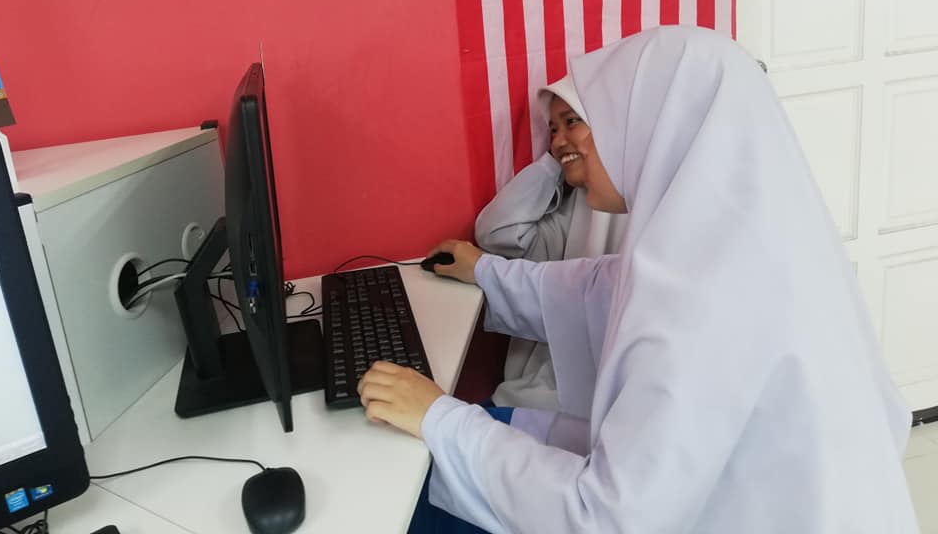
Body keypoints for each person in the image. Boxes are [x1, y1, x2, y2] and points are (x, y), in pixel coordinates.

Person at [359, 26, 918, 532]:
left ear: (656, 128)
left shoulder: (702, 309)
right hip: (739, 497)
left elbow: (608, 519)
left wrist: (440, 419)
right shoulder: (746, 250)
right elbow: (593, 290)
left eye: (602, 120)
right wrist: (484, 271)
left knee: (417, 480)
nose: (575, 142)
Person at [474, 74, 626, 411]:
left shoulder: (651, 208)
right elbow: (496, 233)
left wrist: (480, 270)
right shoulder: (580, 204)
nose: (557, 139)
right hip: (531, 397)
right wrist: (558, 160)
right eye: (552, 130)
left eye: (572, 122)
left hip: (575, 412)